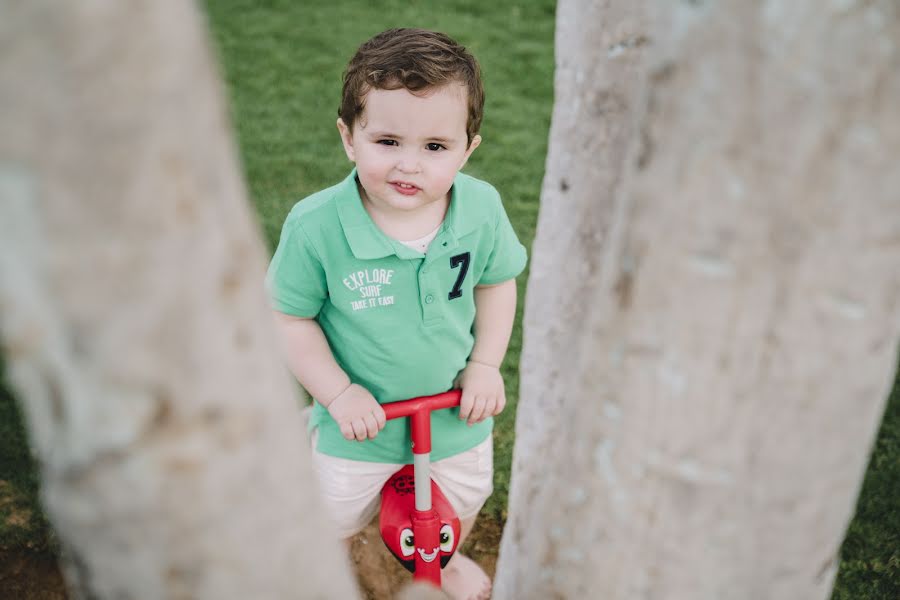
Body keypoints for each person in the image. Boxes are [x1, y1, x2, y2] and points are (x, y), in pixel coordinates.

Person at [267, 28, 526, 600]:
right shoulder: (317, 227)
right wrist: (338, 394)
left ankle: (447, 557)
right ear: (349, 138)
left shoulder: (480, 207)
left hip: (457, 414)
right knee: (331, 514)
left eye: (435, 147)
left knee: (459, 501)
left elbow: (496, 280)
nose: (409, 165)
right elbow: (288, 320)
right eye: (387, 141)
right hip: (360, 426)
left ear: (467, 148)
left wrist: (485, 364)